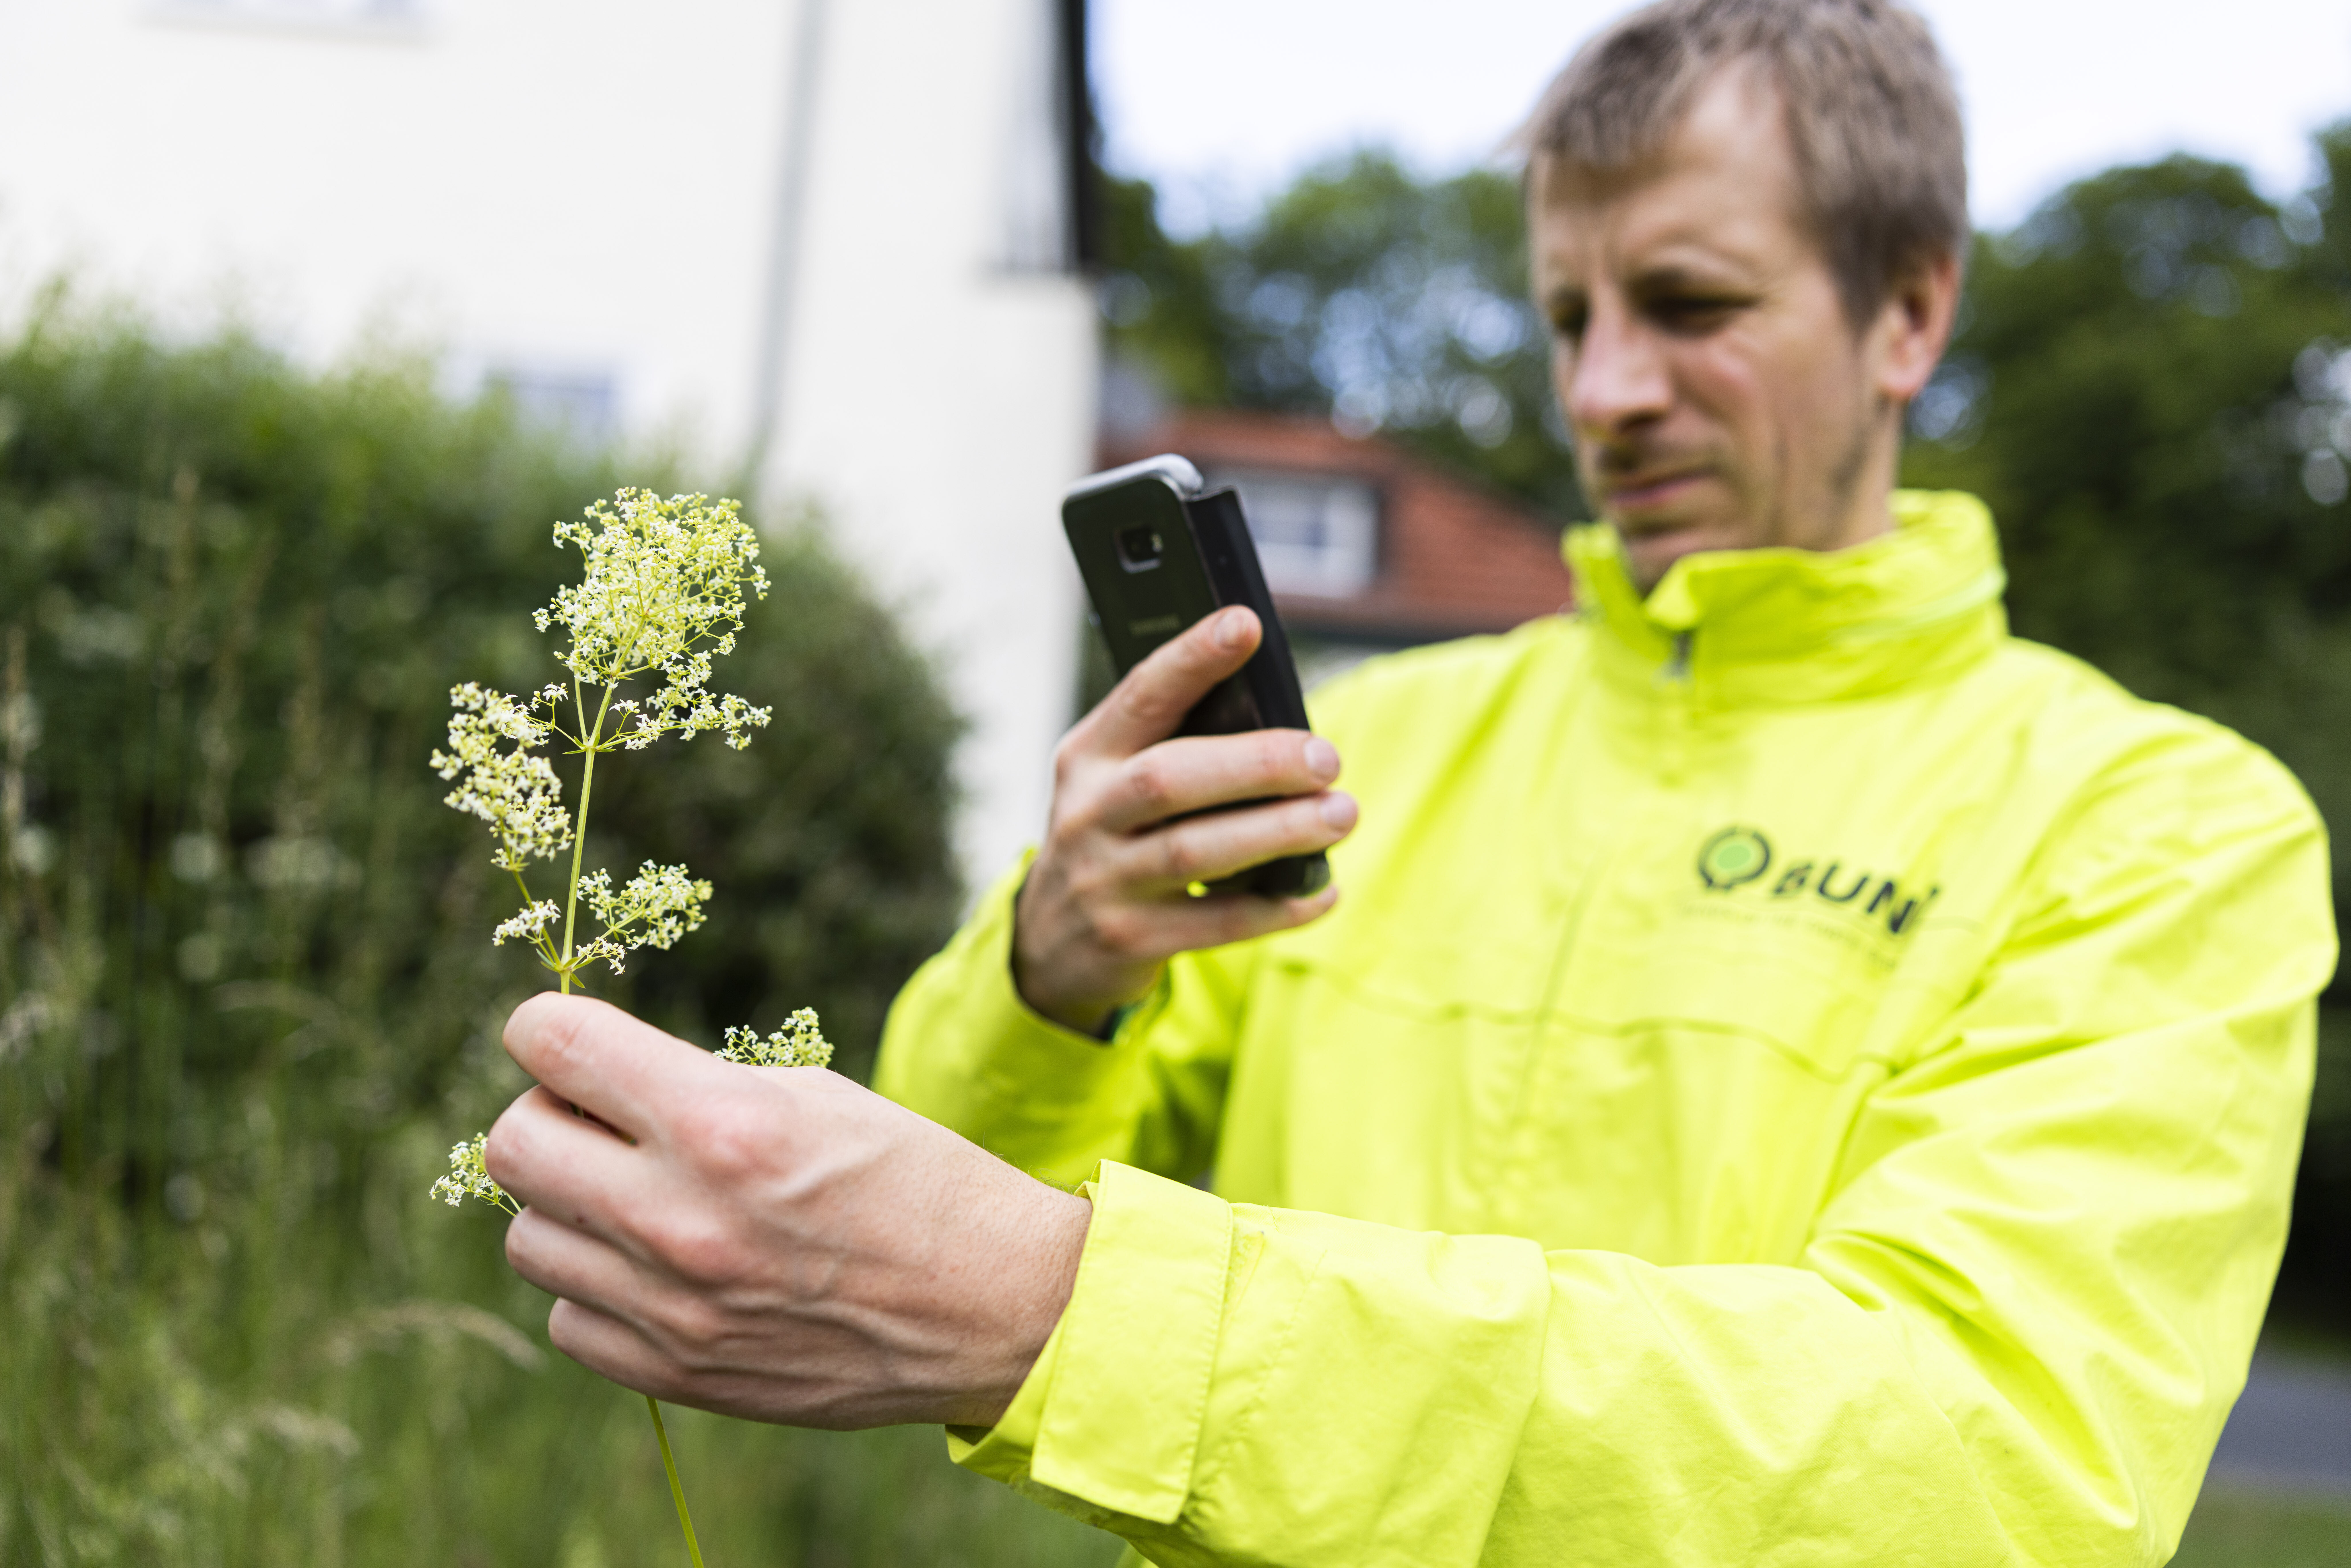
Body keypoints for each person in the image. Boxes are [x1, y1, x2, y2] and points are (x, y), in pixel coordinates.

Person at [481, 0, 2337, 1562]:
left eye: (1689, 305)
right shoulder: (1383, 742)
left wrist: (1069, 1312)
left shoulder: (2160, 825)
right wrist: (1055, 975)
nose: (1606, 389)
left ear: (1909, 317)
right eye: (1566, 315)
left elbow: (1980, 1472)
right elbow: (929, 1226)